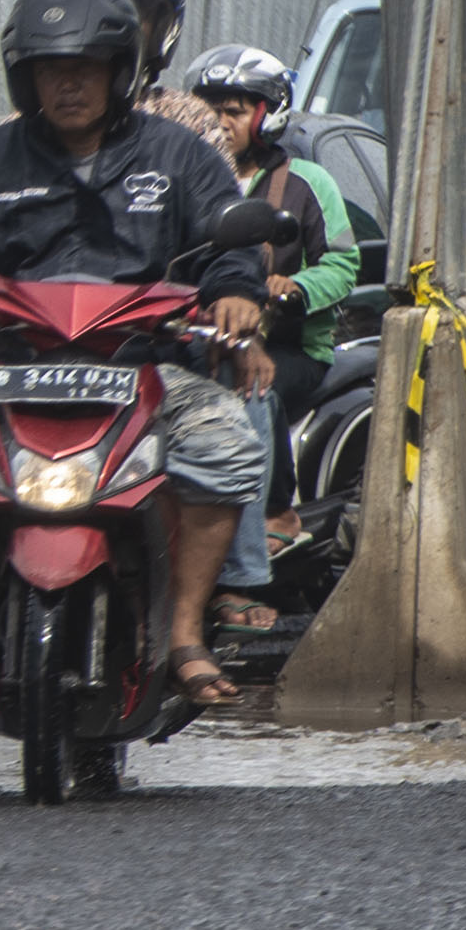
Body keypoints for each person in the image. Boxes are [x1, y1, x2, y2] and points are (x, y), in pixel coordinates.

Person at [0, 0, 273, 709]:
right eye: (50, 71)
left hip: (145, 364)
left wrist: (233, 295)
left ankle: (184, 632)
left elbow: (228, 241)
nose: (67, 86)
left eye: (84, 69)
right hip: (10, 364)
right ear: (24, 79)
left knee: (227, 444)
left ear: (119, 70)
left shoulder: (178, 154)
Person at [185, 44, 361, 602]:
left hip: (290, 348)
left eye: (234, 111)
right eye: (209, 109)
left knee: (249, 389)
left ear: (266, 115)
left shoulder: (308, 182)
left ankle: (268, 526)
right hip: (195, 341)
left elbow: (342, 262)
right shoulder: (180, 181)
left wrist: (295, 289)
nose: (220, 122)